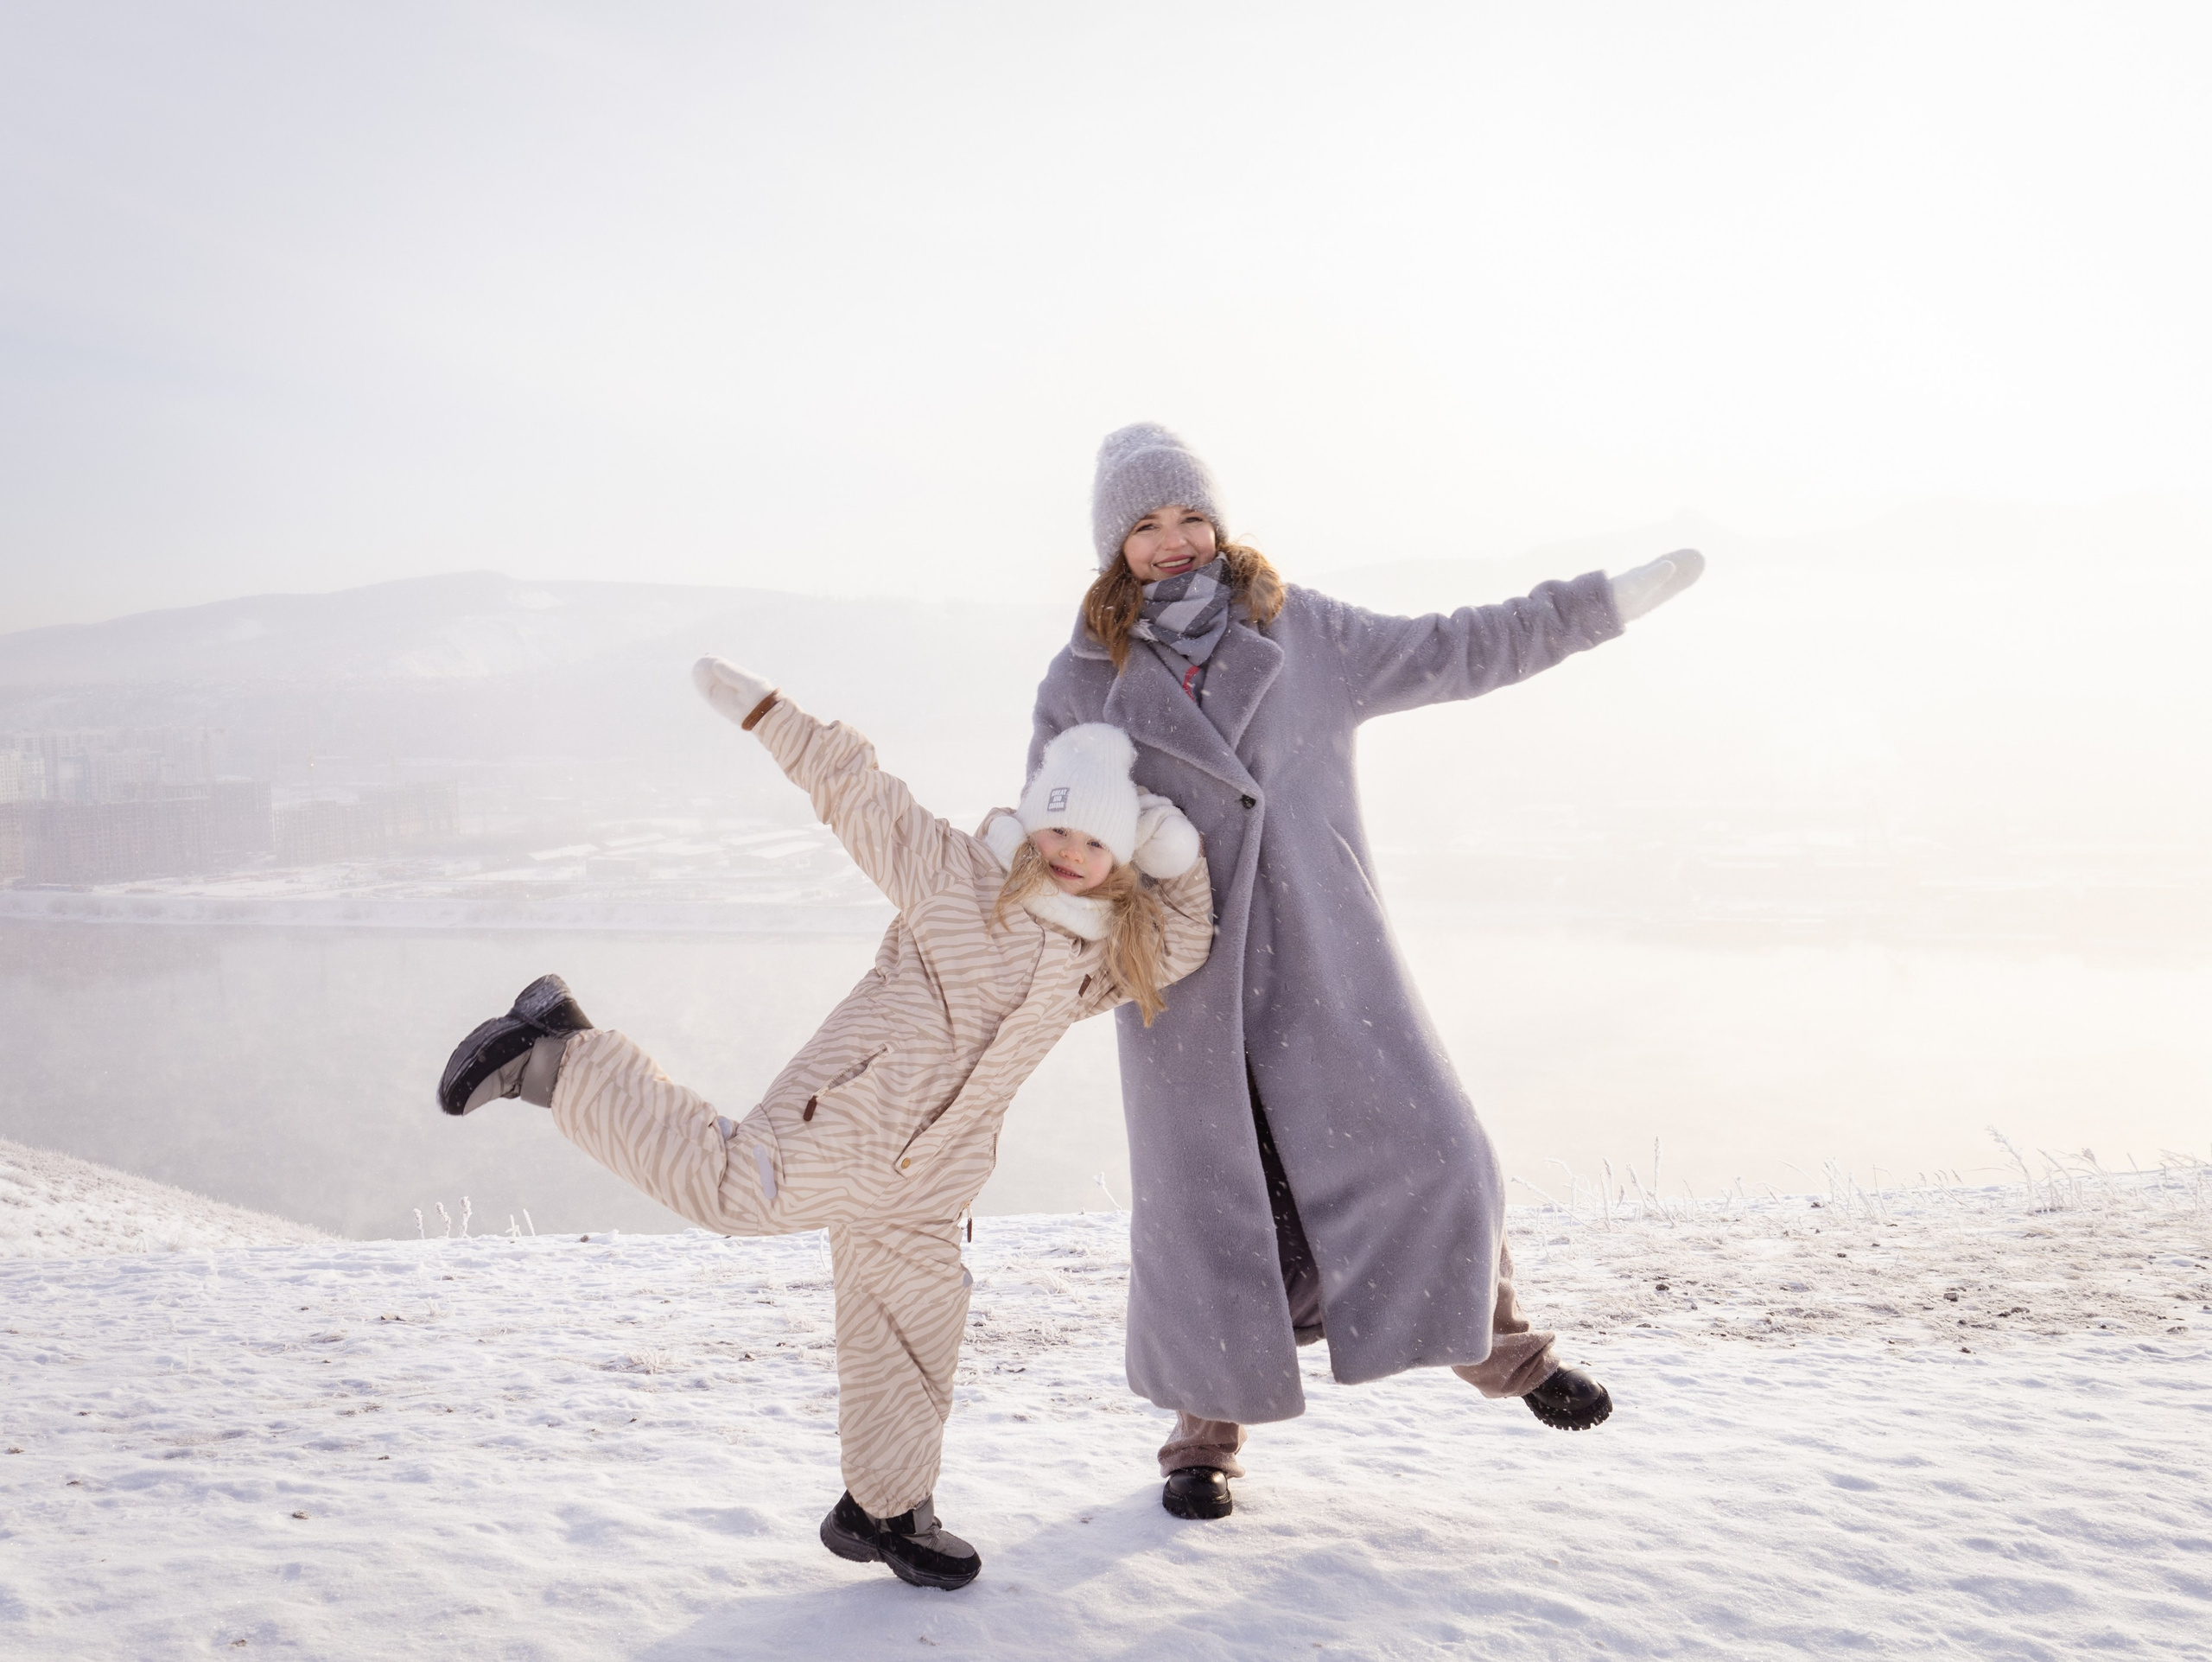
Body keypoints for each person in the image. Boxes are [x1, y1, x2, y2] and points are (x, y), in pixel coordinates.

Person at [1029, 423, 1706, 1520]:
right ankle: (1203, 1439)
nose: (1173, 541)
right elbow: (1055, 838)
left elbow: (1459, 645)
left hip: (1321, 959)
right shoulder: (1082, 682)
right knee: (1211, 1212)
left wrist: (1602, 604)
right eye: (1145, 525)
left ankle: (1504, 1353)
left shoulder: (1302, 636)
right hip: (1184, 988)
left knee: (1436, 1148)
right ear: (1115, 546)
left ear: (1220, 521)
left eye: (1189, 515)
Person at [435, 657, 1213, 1589]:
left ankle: (886, 1508)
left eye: (1094, 843)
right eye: (1054, 826)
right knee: (731, 1192)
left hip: (933, 1180)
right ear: (1028, 821)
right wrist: (770, 714)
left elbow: (1184, 941)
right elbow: (859, 793)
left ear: (1124, 858)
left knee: (913, 1328)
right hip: (852, 1119)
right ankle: (557, 1053)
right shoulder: (956, 877)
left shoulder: (1097, 955)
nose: (1066, 852)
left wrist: (1184, 853)